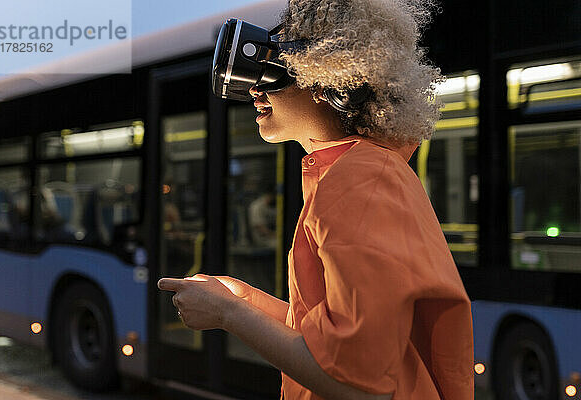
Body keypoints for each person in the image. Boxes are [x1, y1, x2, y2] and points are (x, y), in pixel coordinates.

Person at [159, 1, 474, 399]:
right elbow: (336, 338)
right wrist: (245, 300)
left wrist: (228, 314)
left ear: (332, 79)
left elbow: (358, 387)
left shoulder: (361, 181)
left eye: (274, 71)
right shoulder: (359, 171)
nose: (254, 88)